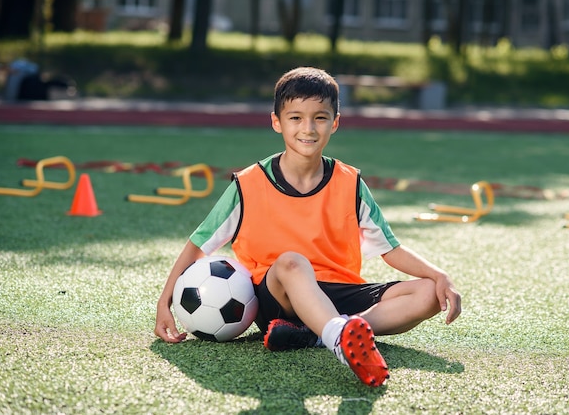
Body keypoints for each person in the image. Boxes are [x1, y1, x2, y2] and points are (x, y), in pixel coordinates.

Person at [155, 66, 461, 387]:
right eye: (296, 117)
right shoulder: (248, 184)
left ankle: (322, 333)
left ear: (335, 122)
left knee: (427, 293)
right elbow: (198, 244)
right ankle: (339, 338)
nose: (309, 128)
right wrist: (165, 302)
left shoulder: (351, 182)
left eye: (320, 117)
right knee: (291, 261)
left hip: (337, 290)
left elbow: (390, 249)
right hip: (278, 295)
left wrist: (440, 276)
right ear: (277, 122)